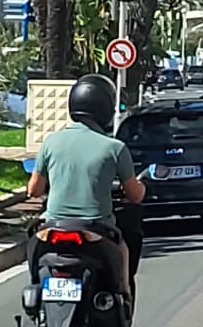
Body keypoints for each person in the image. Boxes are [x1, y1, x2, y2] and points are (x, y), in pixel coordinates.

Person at [26, 74, 146, 298]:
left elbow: (34, 190)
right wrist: (141, 186)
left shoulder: (51, 142)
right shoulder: (115, 148)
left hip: (53, 225)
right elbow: (135, 195)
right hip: (96, 229)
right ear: (106, 108)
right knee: (123, 250)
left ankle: (37, 290)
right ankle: (124, 294)